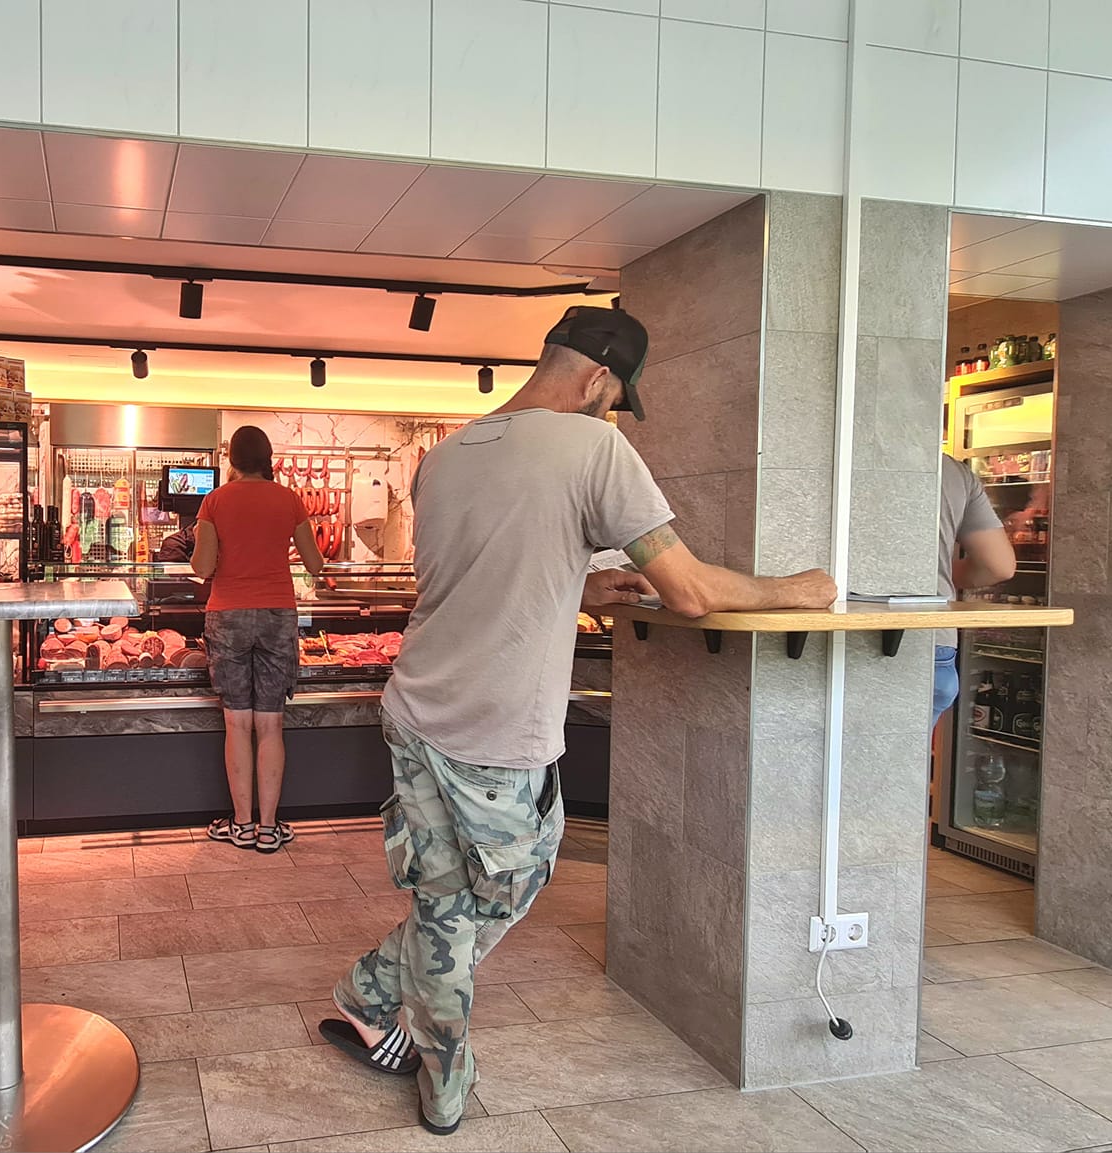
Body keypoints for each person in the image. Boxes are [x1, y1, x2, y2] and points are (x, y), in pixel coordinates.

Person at [319, 305, 836, 1134]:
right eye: (617, 397)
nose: (613, 412)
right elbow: (689, 590)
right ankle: (442, 1077)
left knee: (445, 895)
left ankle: (369, 994)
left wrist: (582, 585)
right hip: (494, 727)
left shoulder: (445, 455)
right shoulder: (596, 448)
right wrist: (797, 590)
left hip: (415, 708)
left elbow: (475, 577)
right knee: (481, 901)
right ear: (599, 377)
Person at [191, 426, 327, 853]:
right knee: (270, 723)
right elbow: (315, 564)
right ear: (268, 458)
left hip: (227, 615)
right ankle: (269, 828)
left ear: (232, 458)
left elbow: (202, 567)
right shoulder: (289, 499)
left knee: (237, 722)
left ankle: (242, 825)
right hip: (277, 614)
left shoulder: (215, 501)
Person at [934, 454, 1015, 728]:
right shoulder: (954, 471)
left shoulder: (839, 449)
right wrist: (936, 577)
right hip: (936, 641)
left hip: (850, 637)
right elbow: (999, 566)